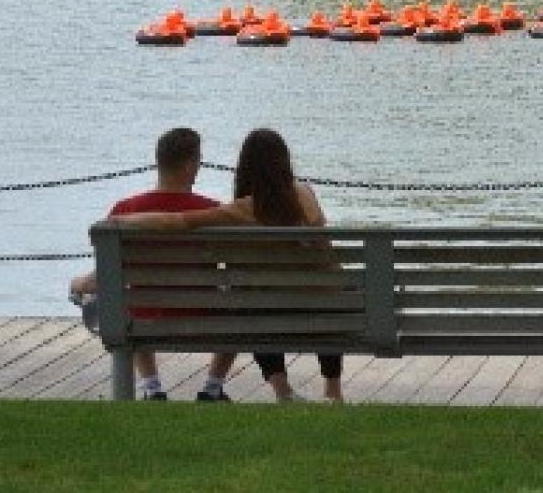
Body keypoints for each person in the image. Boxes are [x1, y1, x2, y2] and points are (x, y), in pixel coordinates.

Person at [113, 127, 344, 404]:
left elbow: (177, 221)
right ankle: (333, 390)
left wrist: (119, 222)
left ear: (245, 168)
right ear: (284, 163)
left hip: (269, 316)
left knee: (250, 308)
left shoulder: (241, 211)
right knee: (323, 295)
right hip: (330, 312)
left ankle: (283, 392)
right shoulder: (306, 194)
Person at [70, 126, 235, 402]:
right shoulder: (214, 211)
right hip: (205, 315)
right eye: (198, 161)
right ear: (188, 165)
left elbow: (105, 274)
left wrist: (76, 285)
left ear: (159, 162)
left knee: (121, 297)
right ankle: (212, 388)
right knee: (239, 303)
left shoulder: (125, 211)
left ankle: (152, 387)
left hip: (142, 316)